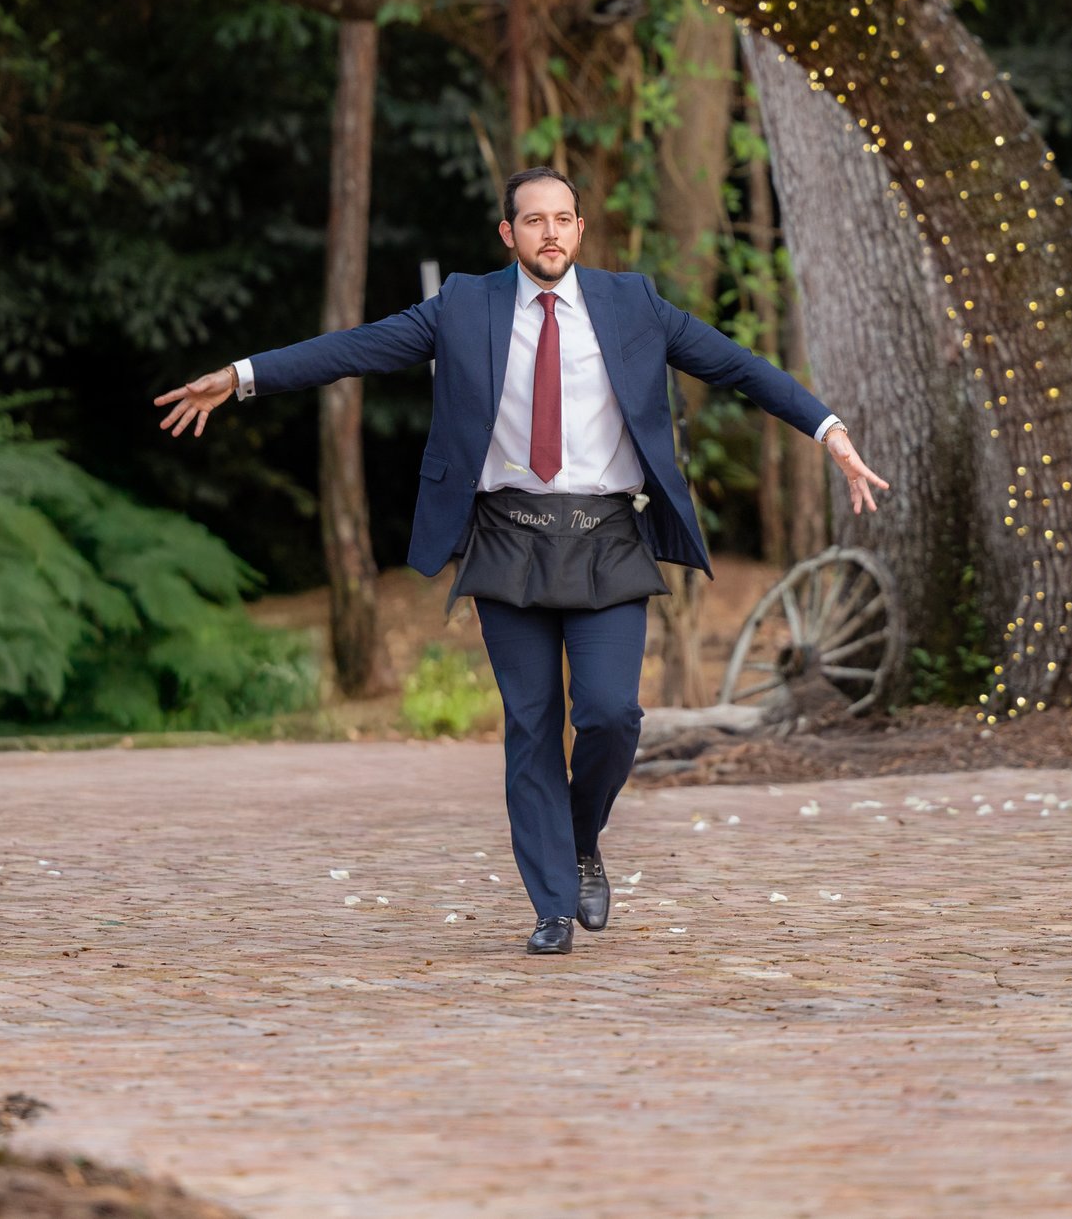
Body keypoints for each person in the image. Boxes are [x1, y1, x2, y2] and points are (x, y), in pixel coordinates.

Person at [156, 167, 889, 955]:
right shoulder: (466, 307)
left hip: (608, 538)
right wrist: (241, 377)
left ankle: (578, 841)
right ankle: (550, 903)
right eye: (533, 220)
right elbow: (356, 349)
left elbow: (737, 365)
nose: (550, 232)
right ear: (508, 234)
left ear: (579, 229)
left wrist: (828, 429)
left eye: (563, 218)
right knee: (531, 724)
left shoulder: (633, 304)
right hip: (507, 537)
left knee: (611, 714)